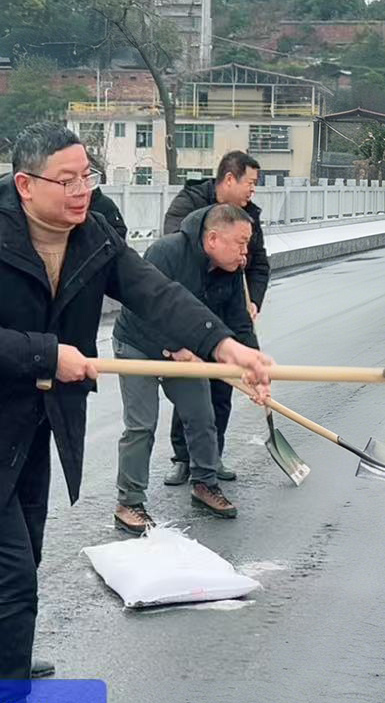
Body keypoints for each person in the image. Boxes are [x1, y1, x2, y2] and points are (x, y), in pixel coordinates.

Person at [0, 122, 272, 703]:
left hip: (35, 423)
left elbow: (154, 292)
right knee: (13, 571)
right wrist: (48, 354)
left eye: (88, 176)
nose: (82, 190)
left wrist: (223, 345)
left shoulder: (92, 239)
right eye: (67, 180)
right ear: (26, 186)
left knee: (21, 549)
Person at [111, 204, 257, 530]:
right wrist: (176, 347)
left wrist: (253, 367)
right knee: (141, 425)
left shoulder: (232, 269)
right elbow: (141, 305)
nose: (245, 252)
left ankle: (205, 483)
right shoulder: (167, 251)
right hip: (138, 345)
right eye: (241, 242)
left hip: (187, 351)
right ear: (214, 238)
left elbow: (238, 324)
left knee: (201, 415)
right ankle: (129, 503)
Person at [161, 151, 270, 486]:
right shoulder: (188, 204)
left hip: (228, 302)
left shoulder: (248, 216)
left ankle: (212, 456)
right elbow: (177, 256)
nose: (253, 190)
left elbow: (258, 263)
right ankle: (183, 457)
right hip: (190, 306)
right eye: (250, 183)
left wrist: (252, 301)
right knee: (192, 385)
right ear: (229, 179)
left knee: (224, 386)